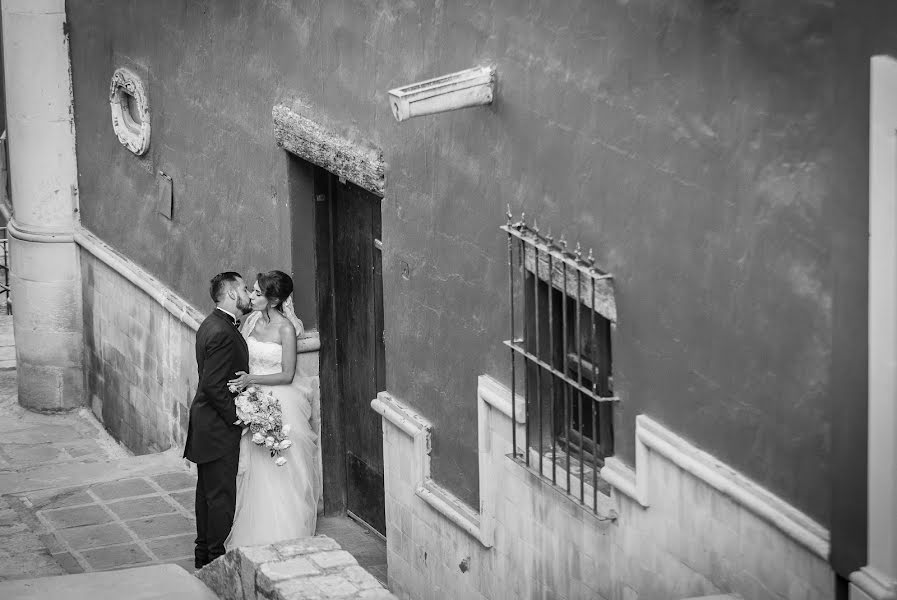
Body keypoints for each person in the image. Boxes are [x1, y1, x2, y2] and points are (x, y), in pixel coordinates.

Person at [225, 270, 321, 548]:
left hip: (280, 401)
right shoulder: (252, 320)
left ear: (274, 299)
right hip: (254, 400)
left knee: (282, 466)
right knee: (256, 465)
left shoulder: (286, 329)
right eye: (252, 291)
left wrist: (251, 379)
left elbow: (288, 374)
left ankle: (286, 531)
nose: (251, 296)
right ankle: (254, 529)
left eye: (257, 293)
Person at [183, 272, 252, 569]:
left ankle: (203, 554)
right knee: (221, 496)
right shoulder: (223, 332)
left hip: (206, 425)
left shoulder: (212, 323)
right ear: (233, 294)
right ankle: (214, 560)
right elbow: (213, 385)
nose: (249, 293)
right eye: (245, 288)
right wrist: (237, 417)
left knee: (207, 494)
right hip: (216, 427)